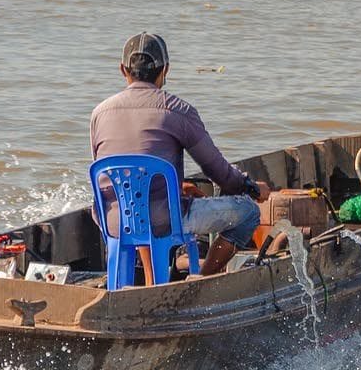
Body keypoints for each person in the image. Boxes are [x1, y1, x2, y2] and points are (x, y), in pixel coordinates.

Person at [90, 33, 269, 277]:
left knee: (143, 209)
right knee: (248, 213)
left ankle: (143, 280)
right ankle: (202, 281)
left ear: (123, 70)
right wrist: (251, 187)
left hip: (112, 221)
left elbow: (121, 173)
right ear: (165, 70)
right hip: (163, 220)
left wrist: (175, 186)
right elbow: (219, 173)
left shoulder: (99, 113)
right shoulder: (177, 110)